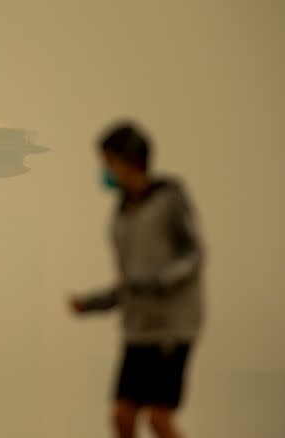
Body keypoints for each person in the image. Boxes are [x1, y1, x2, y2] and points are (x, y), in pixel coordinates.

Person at [69, 121, 204, 438]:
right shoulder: (120, 217)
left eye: (108, 162)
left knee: (159, 419)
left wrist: (158, 281)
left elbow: (193, 256)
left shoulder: (170, 200)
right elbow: (128, 283)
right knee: (122, 417)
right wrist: (90, 304)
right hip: (138, 330)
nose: (104, 171)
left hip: (171, 329)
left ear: (128, 160)